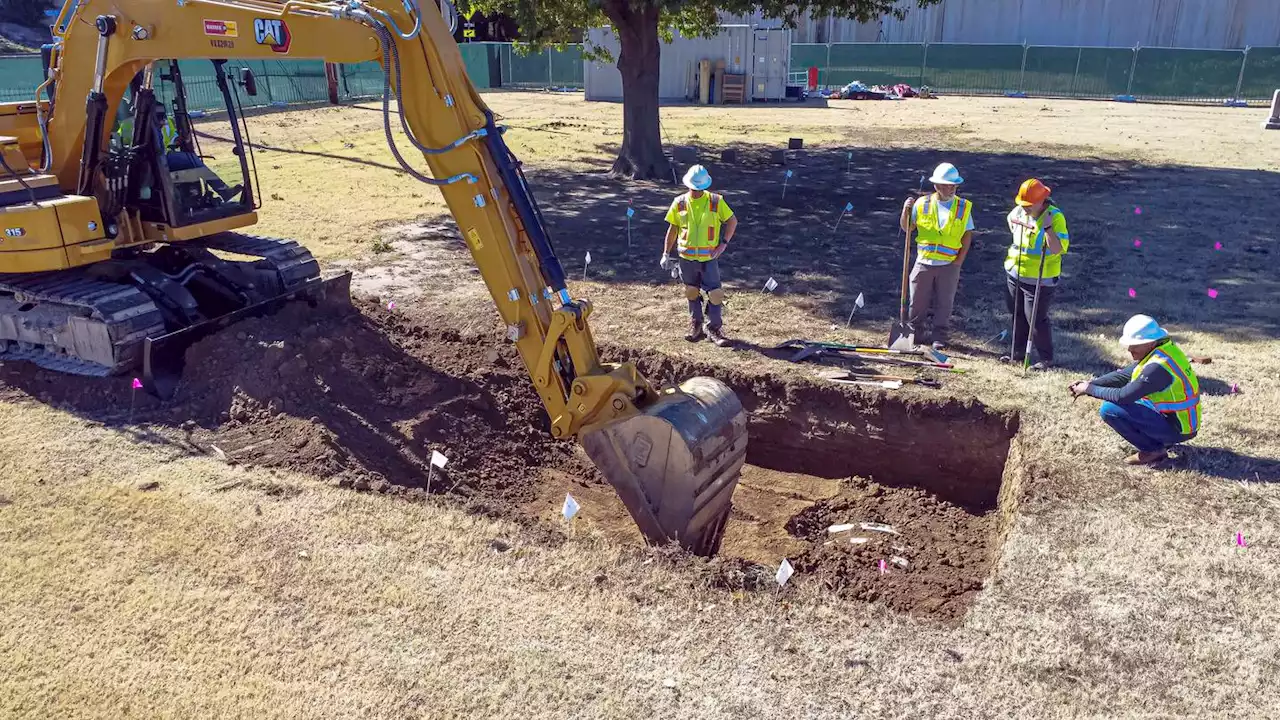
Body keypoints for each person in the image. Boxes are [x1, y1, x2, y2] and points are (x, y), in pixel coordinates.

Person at [1069, 315, 1201, 466]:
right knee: (1131, 400)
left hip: (1178, 428)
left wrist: (1090, 389)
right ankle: (1160, 439)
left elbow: (1123, 396)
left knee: (1110, 409)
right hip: (1179, 420)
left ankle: (1153, 450)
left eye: (1135, 345)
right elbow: (1125, 375)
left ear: (1150, 342)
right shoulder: (1163, 350)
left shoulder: (1157, 367)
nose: (1130, 349)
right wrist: (1091, 383)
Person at [899, 162, 974, 350]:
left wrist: (959, 261)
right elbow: (908, 228)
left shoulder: (963, 207)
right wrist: (905, 211)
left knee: (944, 302)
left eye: (954, 185)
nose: (951, 188)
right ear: (936, 186)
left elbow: (967, 235)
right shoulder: (922, 204)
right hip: (923, 261)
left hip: (949, 264)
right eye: (947, 185)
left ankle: (939, 336)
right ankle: (914, 333)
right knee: (917, 301)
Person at [661, 165, 738, 346]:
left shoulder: (716, 201)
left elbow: (732, 221)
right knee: (692, 292)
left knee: (715, 294)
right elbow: (672, 230)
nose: (696, 192)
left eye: (699, 189)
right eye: (694, 188)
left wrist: (723, 244)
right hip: (686, 259)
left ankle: (714, 328)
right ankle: (696, 325)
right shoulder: (679, 202)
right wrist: (666, 253)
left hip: (709, 259)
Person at [1002, 178, 1069, 369]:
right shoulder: (1019, 211)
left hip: (1040, 279)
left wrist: (1047, 228)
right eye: (1022, 204)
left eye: (1029, 205)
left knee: (1035, 319)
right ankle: (1017, 354)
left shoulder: (1055, 217)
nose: (1025, 208)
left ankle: (1046, 358)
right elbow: (1012, 221)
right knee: (1017, 314)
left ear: (1042, 201)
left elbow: (1057, 249)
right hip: (1015, 273)